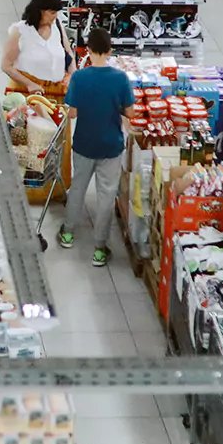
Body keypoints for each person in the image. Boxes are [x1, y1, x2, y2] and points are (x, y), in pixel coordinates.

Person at [57, 26, 134, 267]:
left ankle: (68, 233)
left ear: (88, 50)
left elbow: (72, 114)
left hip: (84, 143)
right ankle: (100, 248)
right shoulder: (121, 79)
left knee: (78, 188)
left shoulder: (80, 77)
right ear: (110, 50)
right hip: (111, 146)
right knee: (106, 195)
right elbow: (129, 112)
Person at [1, 0, 73, 99]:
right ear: (40, 11)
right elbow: (6, 66)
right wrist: (30, 84)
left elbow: (68, 53)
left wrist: (72, 76)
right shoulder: (20, 31)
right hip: (27, 94)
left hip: (57, 94)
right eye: (52, 12)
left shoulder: (57, 27)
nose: (55, 16)